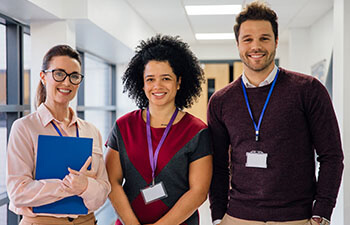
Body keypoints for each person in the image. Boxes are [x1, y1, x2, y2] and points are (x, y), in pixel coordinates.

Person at [208, 1, 344, 225]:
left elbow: (331, 156)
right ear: (238, 44)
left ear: (276, 41)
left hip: (295, 218)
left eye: (264, 38)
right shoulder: (221, 101)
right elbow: (219, 166)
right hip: (237, 217)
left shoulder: (308, 90)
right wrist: (217, 217)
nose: (256, 46)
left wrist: (322, 213)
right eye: (248, 39)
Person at [105, 34, 212, 225]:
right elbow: (112, 182)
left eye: (166, 78)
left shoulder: (197, 131)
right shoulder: (123, 126)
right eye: (150, 79)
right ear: (142, 83)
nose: (157, 86)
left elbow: (199, 192)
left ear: (179, 82)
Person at [6, 45, 111, 225]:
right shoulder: (24, 128)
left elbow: (103, 192)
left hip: (87, 221)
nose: (67, 83)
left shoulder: (91, 131)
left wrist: (86, 186)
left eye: (74, 76)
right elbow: (18, 192)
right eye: (59, 74)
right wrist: (71, 186)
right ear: (43, 77)